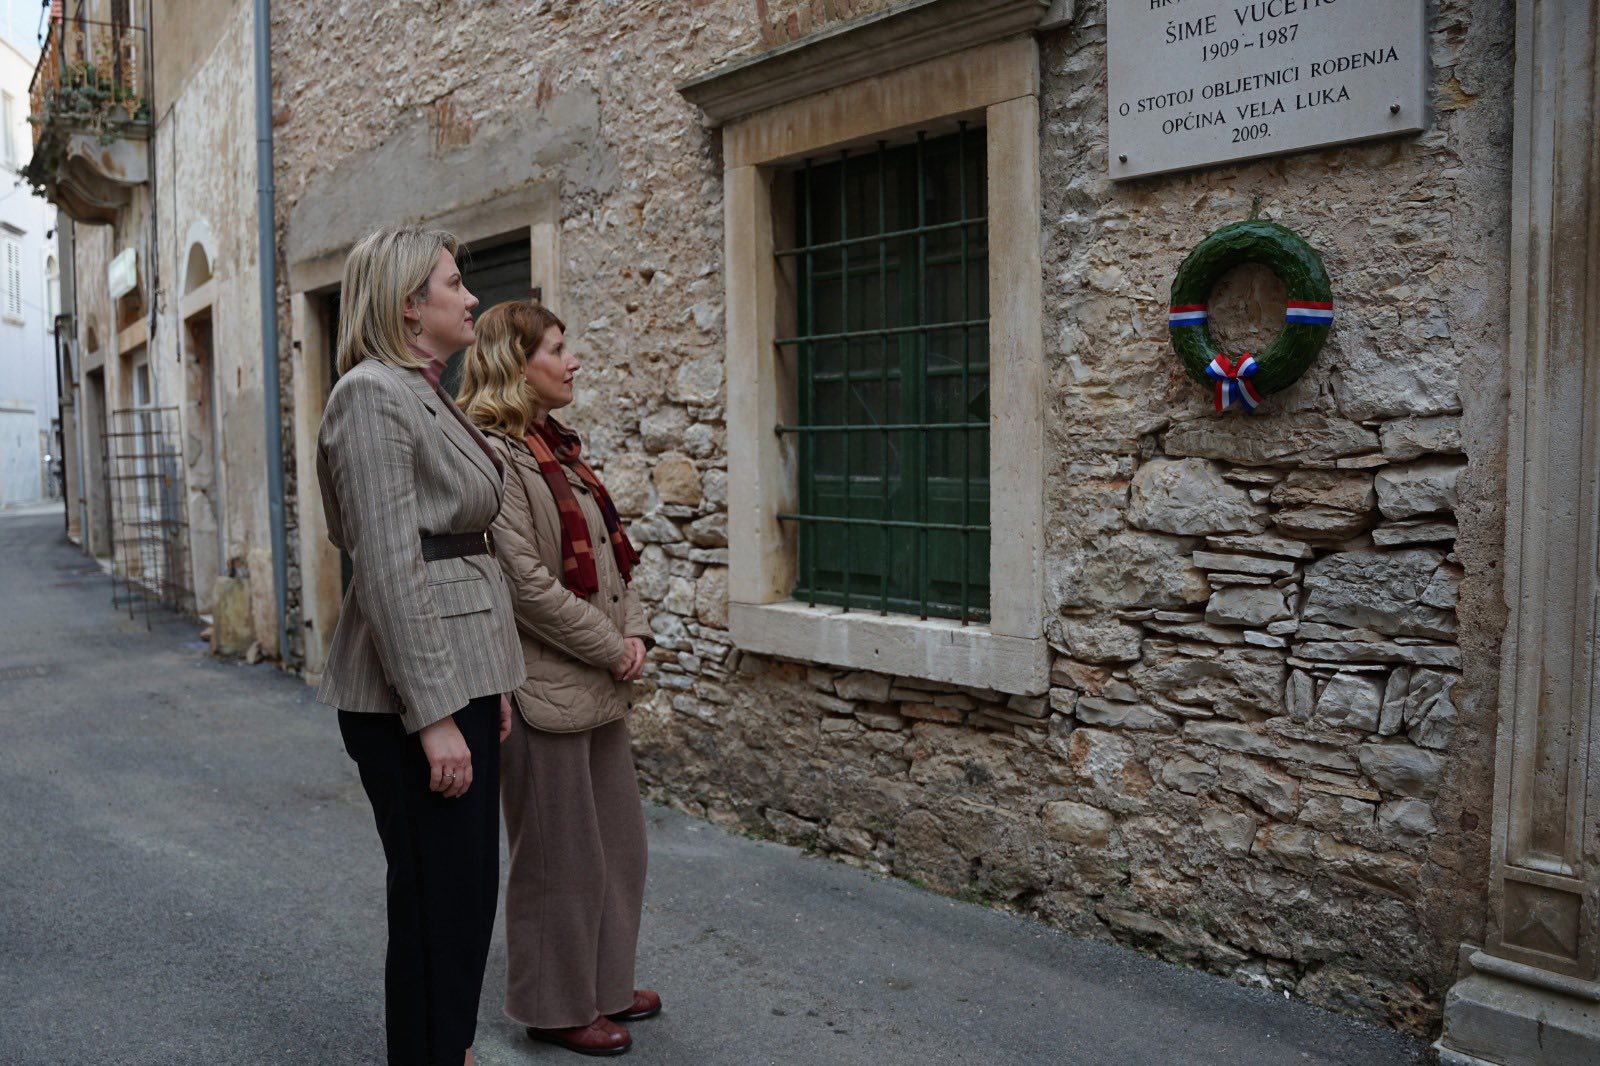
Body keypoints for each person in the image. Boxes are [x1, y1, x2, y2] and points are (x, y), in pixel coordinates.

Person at [315, 225, 525, 1066]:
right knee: (438, 902)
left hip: (460, 673)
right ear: (409, 306)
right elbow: (390, 565)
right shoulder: (371, 395)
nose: (471, 297)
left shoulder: (426, 392)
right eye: (453, 283)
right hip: (413, 691)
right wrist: (435, 713)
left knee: (465, 895)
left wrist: (490, 684)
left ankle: (451, 1047)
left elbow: (463, 552)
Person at [458, 300, 657, 1058]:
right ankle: (554, 1005)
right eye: (556, 348)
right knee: (558, 857)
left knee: (619, 846)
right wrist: (611, 646)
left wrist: (633, 631)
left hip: (596, 677)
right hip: (539, 685)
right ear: (516, 364)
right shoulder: (493, 455)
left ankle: (605, 985)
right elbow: (524, 585)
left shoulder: (557, 445)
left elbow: (613, 550)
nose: (572, 361)